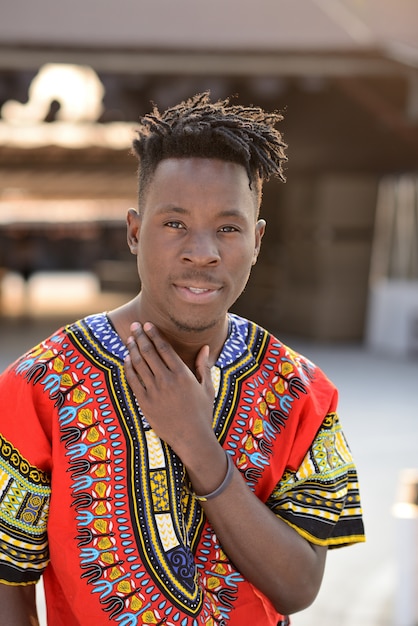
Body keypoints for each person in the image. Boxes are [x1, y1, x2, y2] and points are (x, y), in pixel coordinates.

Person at [0, 92, 365, 626]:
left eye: (228, 227)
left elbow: (298, 587)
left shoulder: (301, 392)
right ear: (133, 231)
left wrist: (197, 443)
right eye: (174, 224)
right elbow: (8, 588)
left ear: (257, 241)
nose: (202, 251)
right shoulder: (37, 385)